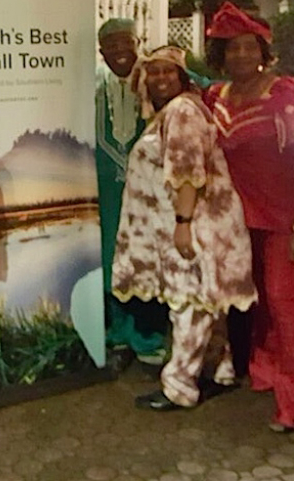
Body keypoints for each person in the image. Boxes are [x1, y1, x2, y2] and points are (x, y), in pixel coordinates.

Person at [203, 1, 294, 432]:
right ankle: (265, 370)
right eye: (232, 48)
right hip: (237, 223)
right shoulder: (213, 97)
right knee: (259, 303)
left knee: (286, 303)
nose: (240, 55)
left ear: (262, 52)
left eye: (248, 48)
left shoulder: (285, 96)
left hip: (282, 220)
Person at [112, 46, 257, 411]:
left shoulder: (182, 112)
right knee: (207, 300)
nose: (161, 79)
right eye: (154, 72)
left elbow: (188, 171)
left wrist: (183, 224)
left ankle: (179, 385)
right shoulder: (178, 111)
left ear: (182, 77)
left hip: (194, 223)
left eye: (168, 72)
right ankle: (219, 369)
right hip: (198, 222)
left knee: (188, 301)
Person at [95, 18, 169, 363]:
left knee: (145, 254)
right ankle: (116, 331)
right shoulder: (93, 85)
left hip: (148, 189)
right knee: (111, 255)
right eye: (111, 45)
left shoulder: (154, 80)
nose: (120, 51)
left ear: (138, 42)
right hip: (106, 189)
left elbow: (193, 86)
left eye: (126, 43)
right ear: (101, 51)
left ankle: (147, 335)